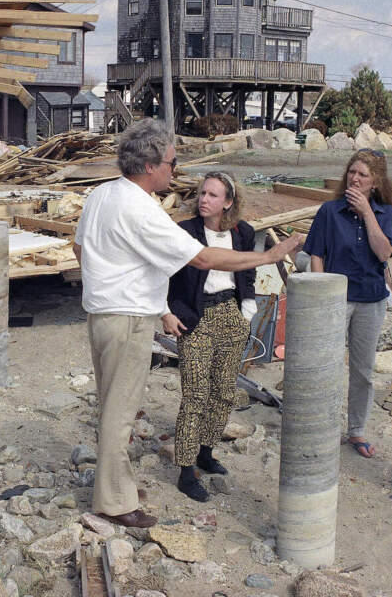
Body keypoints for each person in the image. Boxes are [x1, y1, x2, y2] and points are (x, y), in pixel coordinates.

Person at [74, 119, 301, 527]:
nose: (174, 172)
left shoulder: (102, 194)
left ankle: (114, 487)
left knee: (113, 405)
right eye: (171, 164)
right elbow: (202, 258)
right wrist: (268, 257)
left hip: (103, 313)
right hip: (126, 318)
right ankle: (114, 502)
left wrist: (105, 280)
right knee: (119, 412)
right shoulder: (139, 207)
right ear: (149, 166)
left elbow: (78, 247)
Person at [162, 171, 257, 503]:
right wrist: (165, 311)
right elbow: (162, 272)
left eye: (213, 195)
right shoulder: (184, 232)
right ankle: (186, 471)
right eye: (202, 193)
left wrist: (247, 308)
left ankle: (206, 451)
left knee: (224, 392)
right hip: (195, 317)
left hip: (231, 314)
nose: (204, 199)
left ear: (228, 202)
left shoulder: (243, 232)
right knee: (195, 395)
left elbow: (247, 269)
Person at [304, 149, 392, 459]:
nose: (355, 179)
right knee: (326, 365)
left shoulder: (385, 214)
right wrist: (319, 297)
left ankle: (356, 430)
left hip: (371, 300)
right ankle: (321, 426)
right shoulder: (330, 211)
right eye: (352, 172)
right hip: (335, 300)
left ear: (376, 182)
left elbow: (384, 253)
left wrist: (368, 214)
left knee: (363, 371)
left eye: (363, 175)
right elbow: (316, 254)